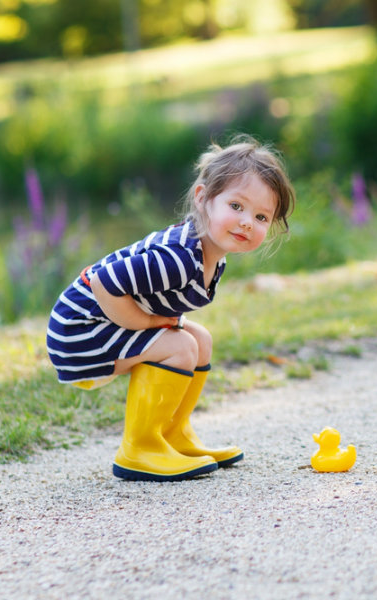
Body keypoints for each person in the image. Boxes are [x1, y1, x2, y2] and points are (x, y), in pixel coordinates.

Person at [46, 134, 295, 482]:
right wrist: (145, 322)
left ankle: (173, 436)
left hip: (100, 325)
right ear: (203, 198)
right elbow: (103, 282)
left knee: (200, 339)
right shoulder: (178, 258)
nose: (246, 222)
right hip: (79, 331)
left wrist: (149, 323)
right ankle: (140, 447)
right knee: (181, 345)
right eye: (236, 206)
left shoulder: (210, 257)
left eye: (261, 216)